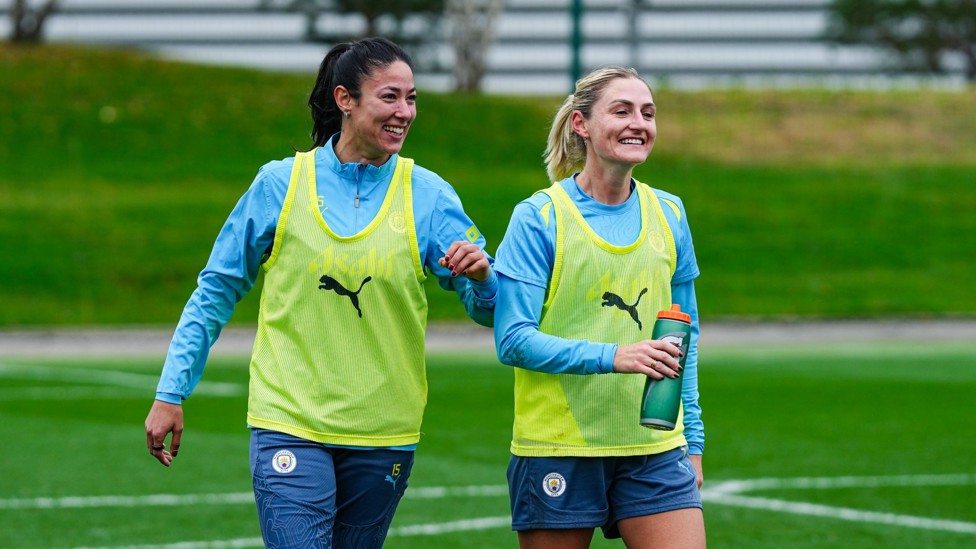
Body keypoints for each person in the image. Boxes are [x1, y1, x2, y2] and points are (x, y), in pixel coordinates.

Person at [144, 37, 497, 548]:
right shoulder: (278, 185)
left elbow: (489, 311)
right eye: (390, 97)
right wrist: (170, 391)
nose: (405, 112)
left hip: (384, 431)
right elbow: (214, 291)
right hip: (290, 420)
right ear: (344, 99)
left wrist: (483, 278)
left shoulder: (430, 196)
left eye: (412, 98)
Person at [493, 66, 706, 549]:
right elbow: (512, 339)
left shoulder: (670, 214)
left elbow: (684, 340)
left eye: (648, 113)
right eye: (622, 110)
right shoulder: (539, 218)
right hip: (559, 447)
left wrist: (692, 442)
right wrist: (615, 356)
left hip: (654, 445)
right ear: (581, 125)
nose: (639, 123)